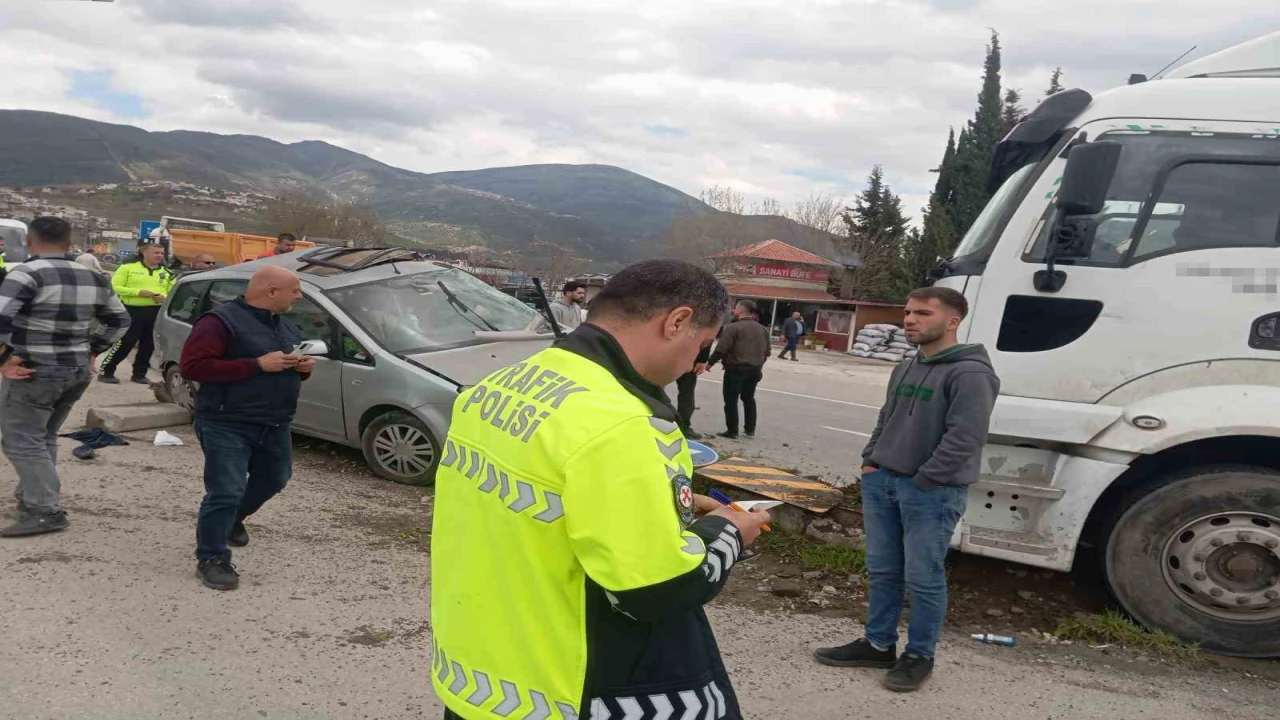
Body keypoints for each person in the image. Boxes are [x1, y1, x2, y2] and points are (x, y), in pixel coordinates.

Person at [431, 260, 772, 720]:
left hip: (480, 677)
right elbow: (656, 589)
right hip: (564, 687)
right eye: (702, 344)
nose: (696, 362)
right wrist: (730, 530)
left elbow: (549, 504)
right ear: (677, 322)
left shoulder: (502, 385)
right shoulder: (618, 422)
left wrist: (663, 503)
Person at [814, 286, 999, 692]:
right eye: (908, 311)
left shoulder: (971, 374)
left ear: (952, 322)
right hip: (883, 481)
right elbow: (887, 417)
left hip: (931, 492)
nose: (910, 319)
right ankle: (878, 644)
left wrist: (925, 480)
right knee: (883, 571)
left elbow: (965, 437)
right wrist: (871, 460)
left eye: (922, 313)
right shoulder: (906, 366)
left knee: (923, 577)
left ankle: (919, 655)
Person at [179, 266, 314, 591]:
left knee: (275, 478)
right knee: (225, 490)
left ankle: (232, 519)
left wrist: (303, 368)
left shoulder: (286, 327)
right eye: (294, 290)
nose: (299, 296)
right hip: (227, 422)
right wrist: (256, 364)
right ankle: (211, 558)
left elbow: (285, 370)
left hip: (275, 421)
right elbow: (192, 367)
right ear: (271, 292)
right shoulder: (218, 322)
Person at [0, 216, 131, 537]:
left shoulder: (26, 273)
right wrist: (93, 350)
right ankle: (33, 497)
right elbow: (120, 320)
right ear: (70, 243)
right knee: (43, 435)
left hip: (34, 370)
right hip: (75, 371)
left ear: (29, 241)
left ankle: (45, 510)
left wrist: (4, 359)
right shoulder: (94, 277)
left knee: (21, 440)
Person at [98, 243, 174, 385]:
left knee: (148, 344)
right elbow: (115, 286)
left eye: (162, 253)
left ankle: (139, 374)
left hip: (155, 312)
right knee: (126, 342)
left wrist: (163, 296)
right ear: (144, 253)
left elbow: (172, 290)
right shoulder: (128, 268)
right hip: (132, 311)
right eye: (156, 253)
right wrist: (138, 292)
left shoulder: (166, 272)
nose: (159, 256)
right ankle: (107, 370)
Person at [705, 300, 770, 439]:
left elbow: (722, 348)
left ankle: (732, 430)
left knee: (731, 400)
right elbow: (767, 351)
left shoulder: (732, 328)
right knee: (749, 398)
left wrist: (710, 363)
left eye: (735, 309)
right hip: (755, 370)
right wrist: (758, 364)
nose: (733, 311)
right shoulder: (763, 329)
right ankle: (750, 429)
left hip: (736, 369)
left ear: (740, 311)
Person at [675, 344, 711, 439]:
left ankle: (683, 425)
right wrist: (702, 359)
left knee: (686, 393)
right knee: (687, 394)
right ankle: (684, 426)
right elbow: (708, 334)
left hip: (683, 355)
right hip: (689, 356)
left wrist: (702, 359)